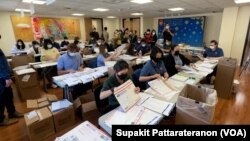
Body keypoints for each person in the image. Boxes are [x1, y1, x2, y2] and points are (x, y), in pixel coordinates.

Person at [0, 47, 23, 126]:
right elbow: (1, 65)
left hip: (4, 76)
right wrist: (6, 77)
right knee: (1, 98)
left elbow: (3, 63)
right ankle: (1, 119)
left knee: (8, 95)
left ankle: (12, 112)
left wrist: (9, 74)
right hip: (2, 78)